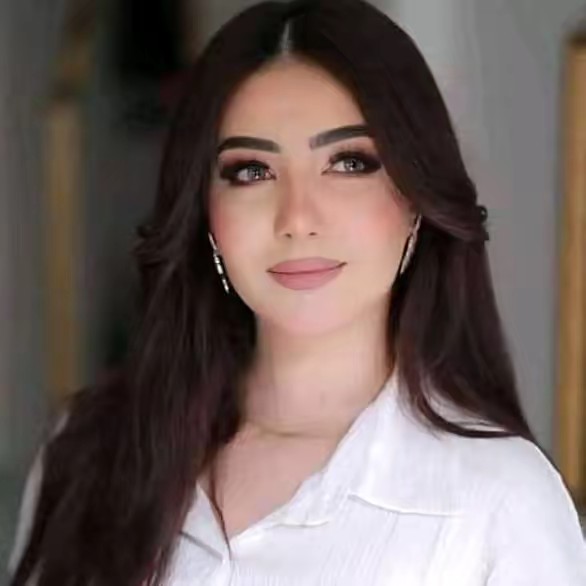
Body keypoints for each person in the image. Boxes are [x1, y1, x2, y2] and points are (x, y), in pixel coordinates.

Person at [8, 0, 586, 584]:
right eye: (251, 171)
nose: (298, 218)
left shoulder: (500, 503)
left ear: (416, 201)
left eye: (349, 163)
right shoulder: (86, 450)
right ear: (205, 212)